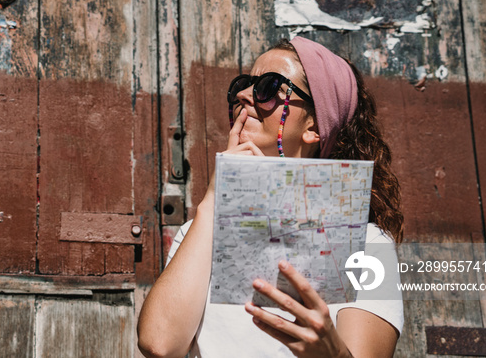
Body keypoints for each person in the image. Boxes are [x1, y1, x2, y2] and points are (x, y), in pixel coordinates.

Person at [137, 37, 404, 358]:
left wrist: (330, 353)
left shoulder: (367, 244)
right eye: (244, 84)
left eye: (268, 87)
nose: (242, 95)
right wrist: (212, 203)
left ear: (315, 125)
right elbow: (159, 344)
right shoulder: (200, 232)